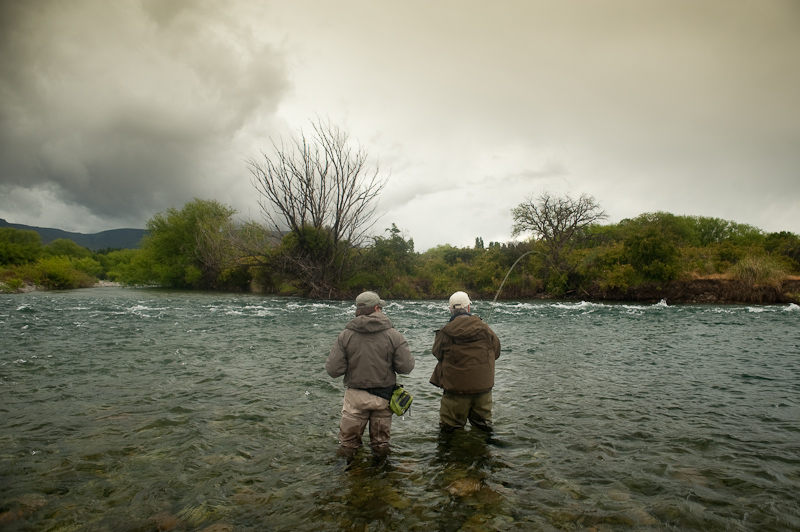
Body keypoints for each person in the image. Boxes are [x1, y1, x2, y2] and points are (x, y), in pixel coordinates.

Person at [326, 291, 415, 452]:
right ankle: (381, 474)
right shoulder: (394, 336)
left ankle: (346, 475)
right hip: (384, 398)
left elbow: (333, 370)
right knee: (381, 445)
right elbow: (406, 367)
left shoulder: (345, 336)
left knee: (348, 445)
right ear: (376, 308)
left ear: (358, 310)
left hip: (355, 398)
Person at [430, 291, 500, 431]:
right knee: (483, 429)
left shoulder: (444, 333)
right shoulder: (486, 330)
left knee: (449, 432)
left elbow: (437, 354)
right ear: (468, 308)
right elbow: (496, 353)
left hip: (455, 393)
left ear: (451, 310)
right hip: (483, 391)